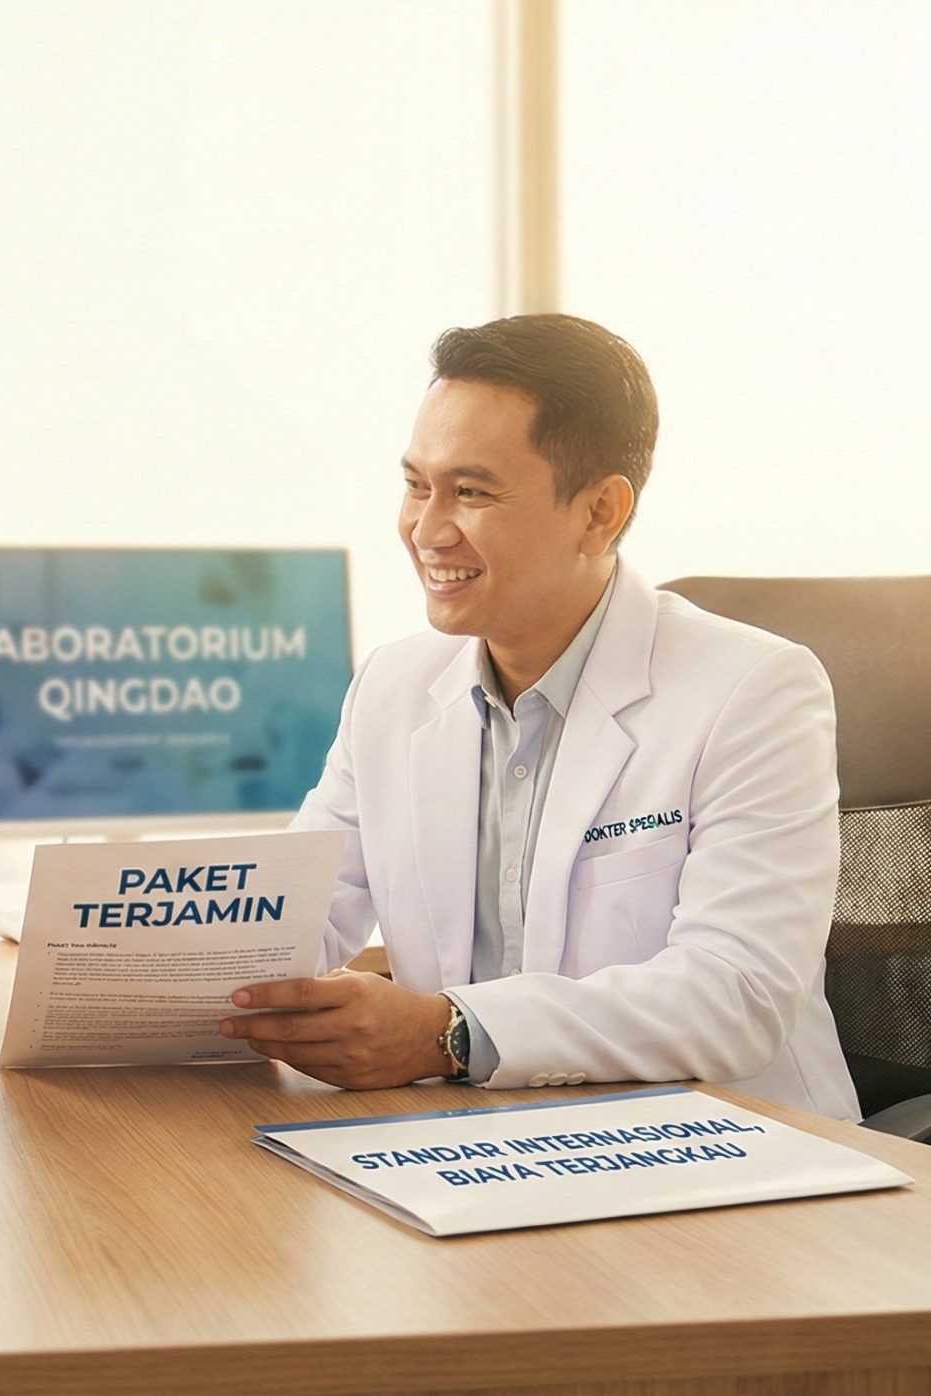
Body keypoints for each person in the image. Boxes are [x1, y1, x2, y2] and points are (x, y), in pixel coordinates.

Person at [223, 313, 859, 1119]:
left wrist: (446, 1034)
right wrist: (111, 959)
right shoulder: (392, 686)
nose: (425, 529)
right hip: (481, 1147)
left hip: (726, 1152)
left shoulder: (754, 689)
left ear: (599, 513)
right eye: (417, 484)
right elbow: (286, 916)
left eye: (472, 492)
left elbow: (736, 996)